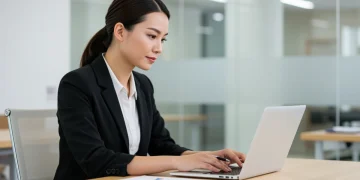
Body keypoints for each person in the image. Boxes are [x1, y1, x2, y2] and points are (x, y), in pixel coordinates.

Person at [54, 0, 246, 179]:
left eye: (163, 39)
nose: (158, 48)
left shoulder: (143, 85)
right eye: (152, 36)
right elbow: (96, 161)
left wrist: (208, 157)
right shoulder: (77, 84)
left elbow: (161, 145)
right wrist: (179, 162)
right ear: (120, 32)